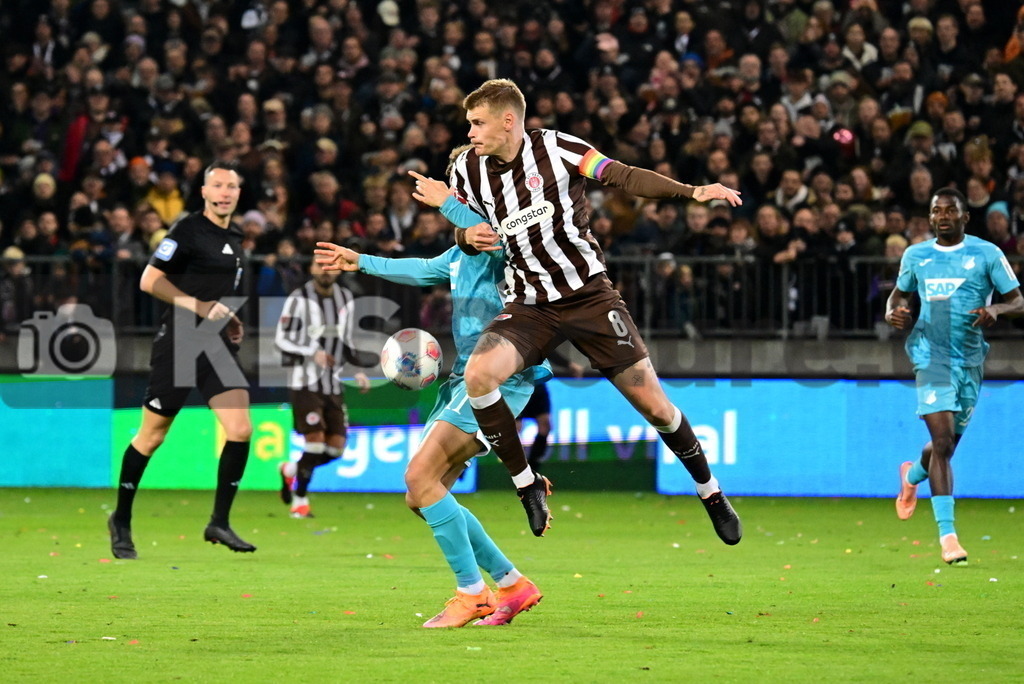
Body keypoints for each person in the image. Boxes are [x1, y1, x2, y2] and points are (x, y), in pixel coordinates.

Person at [409, 79, 744, 544]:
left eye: (477, 122)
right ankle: (527, 485)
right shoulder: (467, 168)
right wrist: (467, 236)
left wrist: (691, 192)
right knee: (479, 375)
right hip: (530, 305)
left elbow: (623, 175)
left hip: (589, 297)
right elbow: (469, 233)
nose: (469, 132)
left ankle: (711, 493)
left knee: (657, 408)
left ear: (509, 121)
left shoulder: (561, 149)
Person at [313, 148, 552, 627]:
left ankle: (473, 594)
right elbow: (423, 268)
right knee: (421, 495)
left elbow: (492, 235)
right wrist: (359, 260)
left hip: (497, 378)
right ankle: (511, 584)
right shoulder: (463, 250)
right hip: (464, 376)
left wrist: (447, 203)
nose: (459, 190)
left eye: (462, 184)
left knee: (419, 481)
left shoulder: (505, 234)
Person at [108, 161, 256, 558]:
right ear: (204, 192)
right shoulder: (188, 230)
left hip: (215, 341)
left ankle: (218, 523)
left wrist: (227, 314)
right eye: (218, 185)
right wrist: (200, 306)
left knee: (240, 428)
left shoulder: (237, 235)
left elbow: (212, 290)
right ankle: (120, 519)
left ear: (239, 194)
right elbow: (149, 279)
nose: (225, 192)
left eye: (232, 186)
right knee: (152, 436)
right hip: (179, 339)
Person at [886, 188, 1023, 566]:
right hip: (930, 355)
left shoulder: (986, 254)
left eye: (950, 210)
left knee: (943, 447)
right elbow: (898, 296)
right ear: (930, 218)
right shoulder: (917, 256)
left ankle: (912, 474)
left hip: (970, 360)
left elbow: (1019, 300)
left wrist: (997, 308)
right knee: (943, 441)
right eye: (936, 211)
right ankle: (949, 538)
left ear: (965, 217)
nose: (943, 216)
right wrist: (893, 313)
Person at [274, 259, 370, 518]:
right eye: (319, 265)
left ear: (339, 269)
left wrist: (358, 369)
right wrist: (311, 351)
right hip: (304, 381)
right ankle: (300, 501)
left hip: (333, 382)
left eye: (331, 266)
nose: (325, 270)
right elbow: (282, 337)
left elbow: (347, 339)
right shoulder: (298, 298)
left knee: (336, 448)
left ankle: (291, 470)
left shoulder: (345, 298)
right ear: (311, 268)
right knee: (314, 441)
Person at [517, 349, 584, 472]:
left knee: (545, 426)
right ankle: (516, 469)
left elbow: (547, 349)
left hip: (537, 383)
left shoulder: (536, 334)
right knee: (515, 428)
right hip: (516, 384)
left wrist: (568, 364)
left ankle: (532, 469)